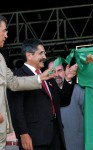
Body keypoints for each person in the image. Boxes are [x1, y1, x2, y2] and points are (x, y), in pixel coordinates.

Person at [8, 38, 78, 150]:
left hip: (55, 136)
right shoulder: (17, 76)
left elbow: (63, 100)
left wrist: (68, 79)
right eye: (41, 53)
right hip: (34, 138)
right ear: (29, 55)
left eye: (44, 53)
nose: (45, 57)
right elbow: (16, 109)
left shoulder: (47, 75)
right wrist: (23, 134)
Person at [0, 15, 56, 150]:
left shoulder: (0, 58)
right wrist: (24, 133)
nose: (6, 35)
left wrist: (39, 78)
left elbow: (13, 82)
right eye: (4, 30)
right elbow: (17, 107)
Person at [48, 57, 84, 150]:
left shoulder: (79, 90)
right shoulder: (45, 93)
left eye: (59, 70)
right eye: (53, 72)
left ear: (65, 71)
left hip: (77, 145)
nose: (56, 74)